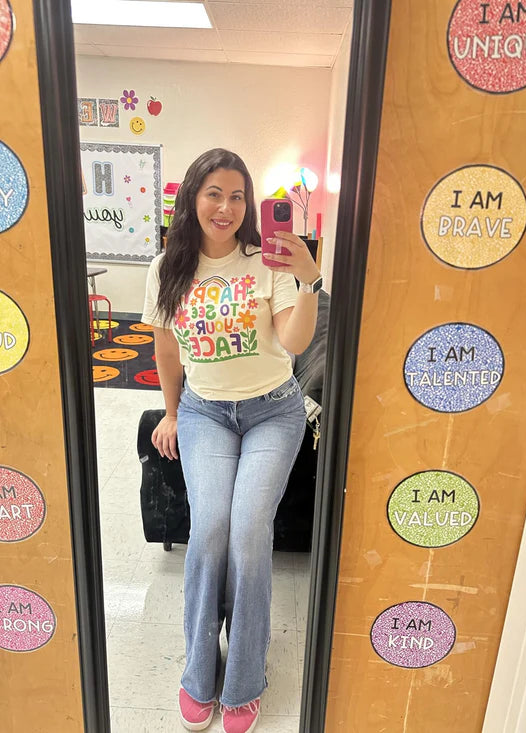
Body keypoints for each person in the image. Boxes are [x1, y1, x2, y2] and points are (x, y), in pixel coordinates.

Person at [142, 148, 322, 733]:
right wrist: (171, 414)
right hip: (205, 413)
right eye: (214, 193)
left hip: (274, 411)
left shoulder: (267, 261)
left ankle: (244, 679)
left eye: (237, 196)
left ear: (249, 205)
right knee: (209, 531)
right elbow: (166, 349)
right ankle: (199, 669)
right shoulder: (167, 267)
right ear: (192, 198)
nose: (226, 207)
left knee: (248, 532)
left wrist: (308, 279)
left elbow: (294, 342)